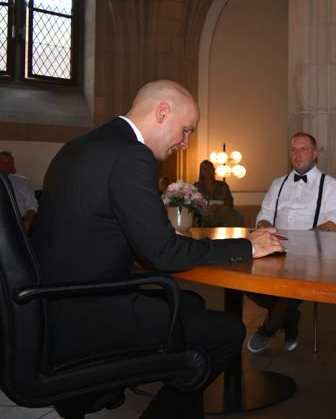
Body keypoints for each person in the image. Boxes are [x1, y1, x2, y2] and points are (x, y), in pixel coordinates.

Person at [30, 80, 284, 419]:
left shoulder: (78, 146)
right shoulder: (132, 155)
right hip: (88, 312)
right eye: (186, 130)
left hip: (48, 305)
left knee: (189, 303)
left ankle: (97, 390)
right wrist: (246, 246)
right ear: (162, 112)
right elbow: (163, 253)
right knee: (227, 332)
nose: (185, 142)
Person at [246, 132, 336, 353]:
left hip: (314, 256)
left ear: (314, 153)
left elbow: (332, 224)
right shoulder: (278, 184)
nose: (298, 154)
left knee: (296, 281)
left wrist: (304, 239)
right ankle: (288, 316)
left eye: (304, 149)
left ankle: (269, 328)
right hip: (275, 250)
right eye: (293, 150)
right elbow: (264, 215)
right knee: (242, 275)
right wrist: (265, 229)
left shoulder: (330, 185)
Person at [194, 159, 243, 226]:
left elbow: (230, 202)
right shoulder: (197, 186)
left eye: (210, 168)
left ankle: (240, 232)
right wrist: (208, 208)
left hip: (223, 212)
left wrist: (219, 206)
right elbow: (194, 204)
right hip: (206, 216)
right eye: (205, 169)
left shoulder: (223, 185)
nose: (208, 171)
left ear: (214, 170)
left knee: (226, 211)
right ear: (201, 172)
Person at [0, 150, 37, 232]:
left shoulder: (23, 182)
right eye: (2, 162)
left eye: (10, 163)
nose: (6, 166)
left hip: (19, 222)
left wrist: (27, 222)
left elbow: (32, 206)